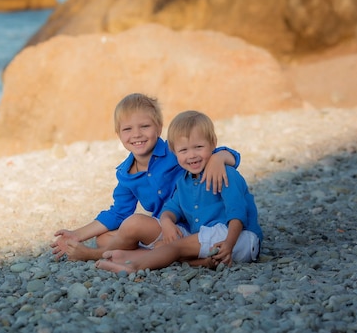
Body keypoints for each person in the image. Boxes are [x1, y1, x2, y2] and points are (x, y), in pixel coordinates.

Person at [51, 94, 241, 261]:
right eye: (127, 129)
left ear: (158, 128)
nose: (136, 134)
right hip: (165, 229)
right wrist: (76, 234)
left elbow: (218, 154)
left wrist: (219, 157)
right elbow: (118, 213)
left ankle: (94, 256)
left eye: (144, 126)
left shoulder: (175, 151)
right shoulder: (126, 174)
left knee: (133, 225)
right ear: (118, 134)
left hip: (194, 224)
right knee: (103, 238)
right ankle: (155, 254)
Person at [95, 110, 263, 273]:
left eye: (198, 147)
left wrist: (229, 244)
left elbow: (237, 214)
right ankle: (202, 263)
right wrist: (167, 223)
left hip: (240, 238)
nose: (192, 155)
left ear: (213, 143)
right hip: (209, 237)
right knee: (165, 245)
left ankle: (133, 266)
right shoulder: (184, 182)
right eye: (184, 150)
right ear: (174, 152)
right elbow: (171, 209)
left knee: (173, 247)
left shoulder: (225, 173)